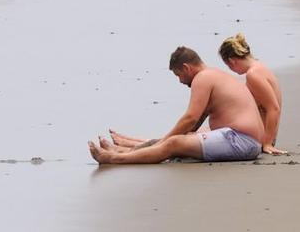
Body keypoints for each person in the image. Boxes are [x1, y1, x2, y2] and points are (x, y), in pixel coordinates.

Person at [91, 47, 268, 164]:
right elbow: (194, 123)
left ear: (186, 68)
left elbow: (189, 118)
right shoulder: (213, 75)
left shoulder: (202, 78)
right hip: (245, 141)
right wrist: (157, 142)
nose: (180, 81)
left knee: (174, 143)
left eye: (178, 75)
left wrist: (165, 141)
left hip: (242, 141)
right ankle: (125, 152)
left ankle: (115, 159)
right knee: (181, 139)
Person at [219, 34, 285, 155]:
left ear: (232, 61)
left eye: (228, 66)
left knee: (198, 136)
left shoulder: (253, 75)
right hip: (262, 135)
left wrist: (267, 143)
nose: (230, 69)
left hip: (258, 138)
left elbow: (274, 108)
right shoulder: (260, 68)